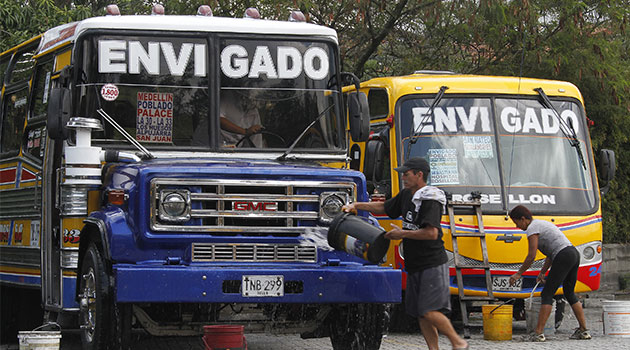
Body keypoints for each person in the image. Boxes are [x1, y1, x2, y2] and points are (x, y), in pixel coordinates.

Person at [342, 157, 468, 350]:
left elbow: (431, 233)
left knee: (429, 310)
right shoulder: (406, 195)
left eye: (406, 174)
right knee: (421, 312)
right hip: (415, 263)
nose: (403, 177)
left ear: (419, 175)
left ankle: (458, 343)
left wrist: (402, 234)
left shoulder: (430, 199)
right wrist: (356, 206)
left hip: (432, 264)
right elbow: (384, 207)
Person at [508, 205, 591, 342]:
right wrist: (542, 272)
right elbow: (551, 254)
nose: (517, 226)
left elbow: (531, 255)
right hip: (572, 254)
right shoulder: (541, 224)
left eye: (516, 222)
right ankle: (584, 330)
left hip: (563, 255)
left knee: (547, 294)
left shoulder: (532, 228)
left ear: (523, 219)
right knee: (569, 293)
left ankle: (538, 333)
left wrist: (518, 274)